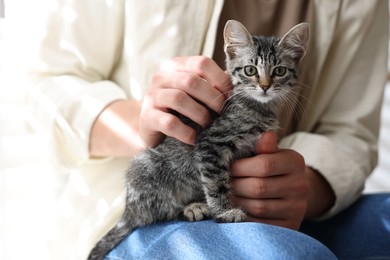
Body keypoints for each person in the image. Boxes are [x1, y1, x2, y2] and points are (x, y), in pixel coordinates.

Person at [28, 0, 389, 259]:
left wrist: (308, 187)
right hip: (156, 201)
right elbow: (44, 86)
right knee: (280, 254)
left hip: (292, 209)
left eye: (275, 73)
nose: (263, 83)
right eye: (253, 73)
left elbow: (351, 132)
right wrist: (144, 122)